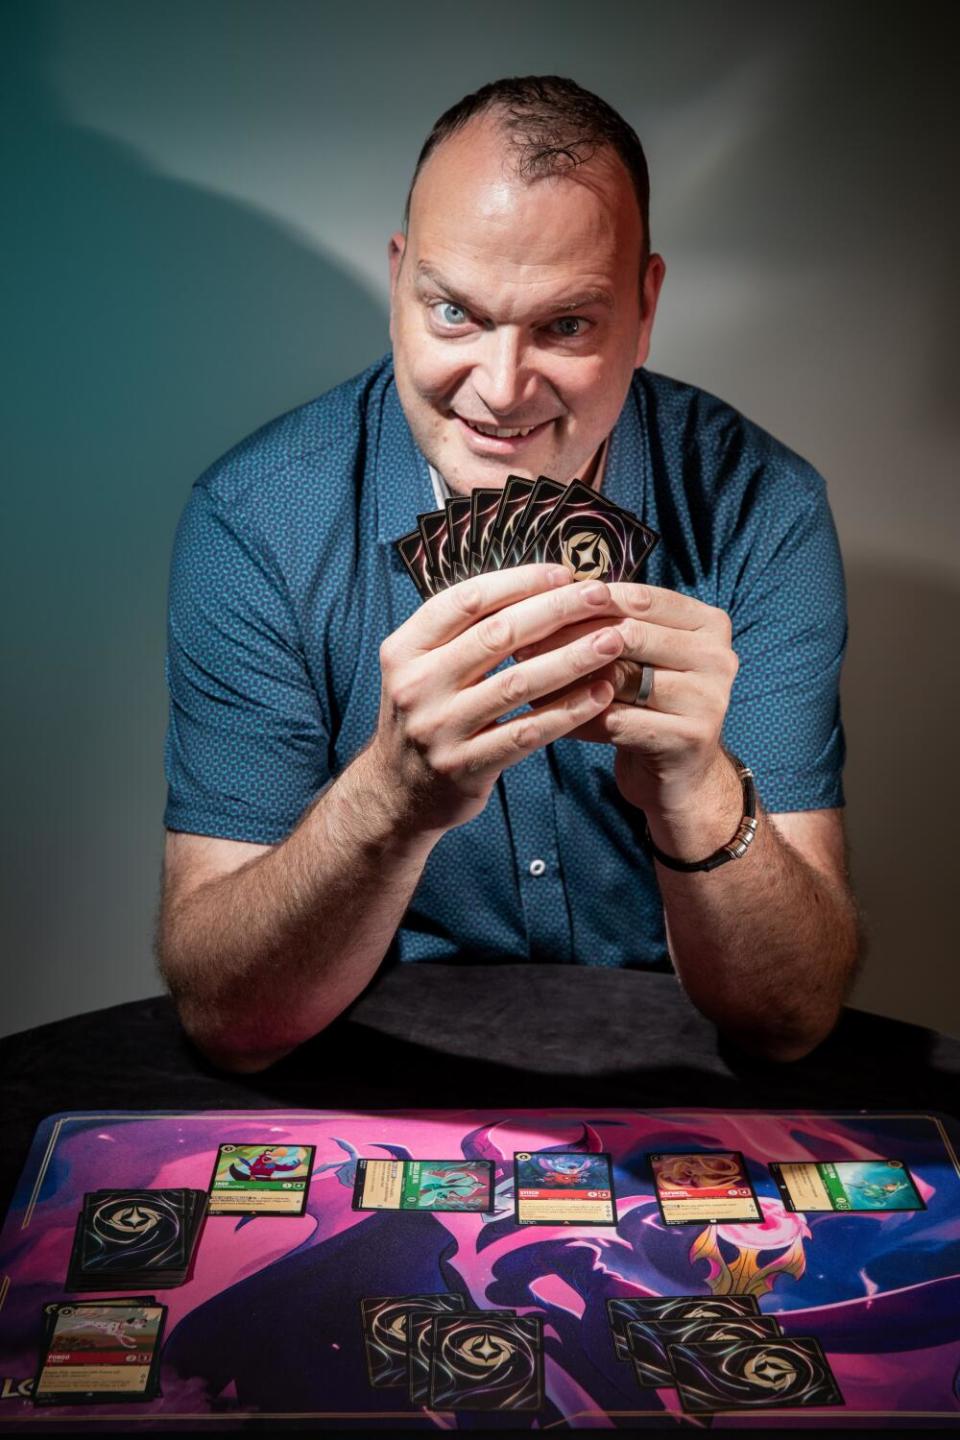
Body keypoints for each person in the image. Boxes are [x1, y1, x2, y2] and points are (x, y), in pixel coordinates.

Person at [157, 76, 859, 1073]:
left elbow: (789, 1019)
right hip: (374, 1074)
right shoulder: (257, 520)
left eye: (567, 325)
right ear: (399, 281)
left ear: (646, 306)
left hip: (674, 1081)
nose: (498, 389)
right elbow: (229, 1023)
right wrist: (390, 797)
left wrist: (699, 788)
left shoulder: (763, 508)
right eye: (455, 313)